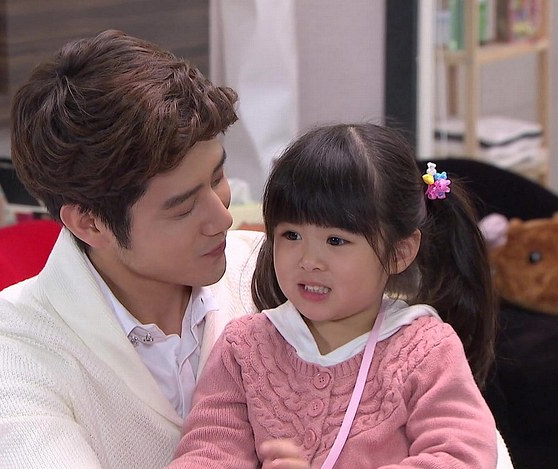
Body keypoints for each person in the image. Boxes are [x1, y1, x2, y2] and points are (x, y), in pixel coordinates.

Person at [0, 29, 304, 468]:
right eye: (183, 208)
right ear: (90, 223)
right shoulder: (11, 350)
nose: (223, 219)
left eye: (217, 178)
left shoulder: (276, 274)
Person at [171, 123, 499, 468]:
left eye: (336, 241)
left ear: (400, 252)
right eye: (291, 235)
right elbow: (209, 452)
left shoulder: (426, 351)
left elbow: (461, 457)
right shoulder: (243, 348)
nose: (309, 261)